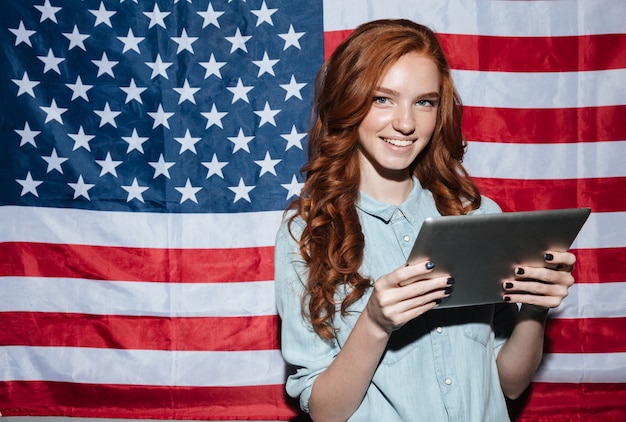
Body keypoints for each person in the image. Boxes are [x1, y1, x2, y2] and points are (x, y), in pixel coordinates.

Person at [274, 19, 576, 421]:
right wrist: (376, 323)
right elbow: (326, 412)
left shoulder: (478, 215)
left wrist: (535, 308)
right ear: (348, 99)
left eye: (424, 102)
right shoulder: (306, 234)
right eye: (383, 99)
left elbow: (510, 383)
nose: (405, 123)